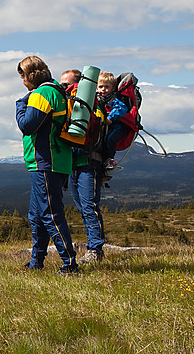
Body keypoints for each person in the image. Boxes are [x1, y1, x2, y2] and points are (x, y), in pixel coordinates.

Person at [15, 56, 79, 274]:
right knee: (37, 215)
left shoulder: (43, 93)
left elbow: (27, 125)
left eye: (22, 77)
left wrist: (20, 104)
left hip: (46, 162)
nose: (22, 81)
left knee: (50, 214)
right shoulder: (56, 91)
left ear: (29, 75)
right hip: (55, 161)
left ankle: (70, 263)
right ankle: (36, 261)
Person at [61, 69, 107, 264]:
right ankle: (94, 248)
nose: (63, 88)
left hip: (89, 163)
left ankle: (95, 250)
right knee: (84, 207)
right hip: (76, 164)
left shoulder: (91, 105)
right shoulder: (73, 106)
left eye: (67, 84)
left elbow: (97, 126)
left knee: (89, 206)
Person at [97, 71, 129, 172]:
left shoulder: (114, 99)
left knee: (110, 139)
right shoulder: (97, 98)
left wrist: (110, 117)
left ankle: (109, 159)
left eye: (107, 87)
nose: (103, 89)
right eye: (101, 86)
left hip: (117, 126)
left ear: (113, 88)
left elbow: (121, 108)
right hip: (105, 126)